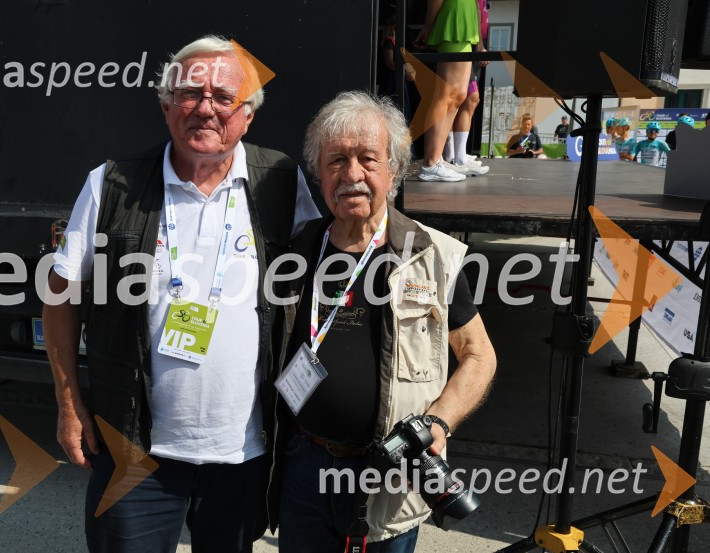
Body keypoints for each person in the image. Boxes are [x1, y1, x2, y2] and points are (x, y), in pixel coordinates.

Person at [42, 35, 320, 553]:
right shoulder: (112, 183)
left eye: (222, 98)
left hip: (244, 453)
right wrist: (68, 402)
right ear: (167, 104)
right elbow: (60, 297)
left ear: (247, 115)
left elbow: (332, 271)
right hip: (133, 450)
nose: (205, 109)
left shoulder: (281, 181)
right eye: (190, 94)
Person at [267, 91, 496, 552]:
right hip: (304, 463)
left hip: (389, 476)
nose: (352, 175)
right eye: (336, 161)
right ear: (319, 172)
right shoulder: (295, 252)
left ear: (394, 170)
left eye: (367, 159)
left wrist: (438, 422)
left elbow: (478, 355)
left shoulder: (432, 255)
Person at [413, 0, 487, 182]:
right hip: (454, 20)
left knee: (459, 96)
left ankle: (437, 159)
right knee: (446, 96)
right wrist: (428, 26)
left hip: (464, 23)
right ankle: (431, 162)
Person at [443, 0, 490, 176]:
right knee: (460, 97)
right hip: (466, 40)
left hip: (471, 40)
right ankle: (453, 157)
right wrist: (479, 45)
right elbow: (476, 11)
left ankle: (457, 156)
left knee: (467, 98)